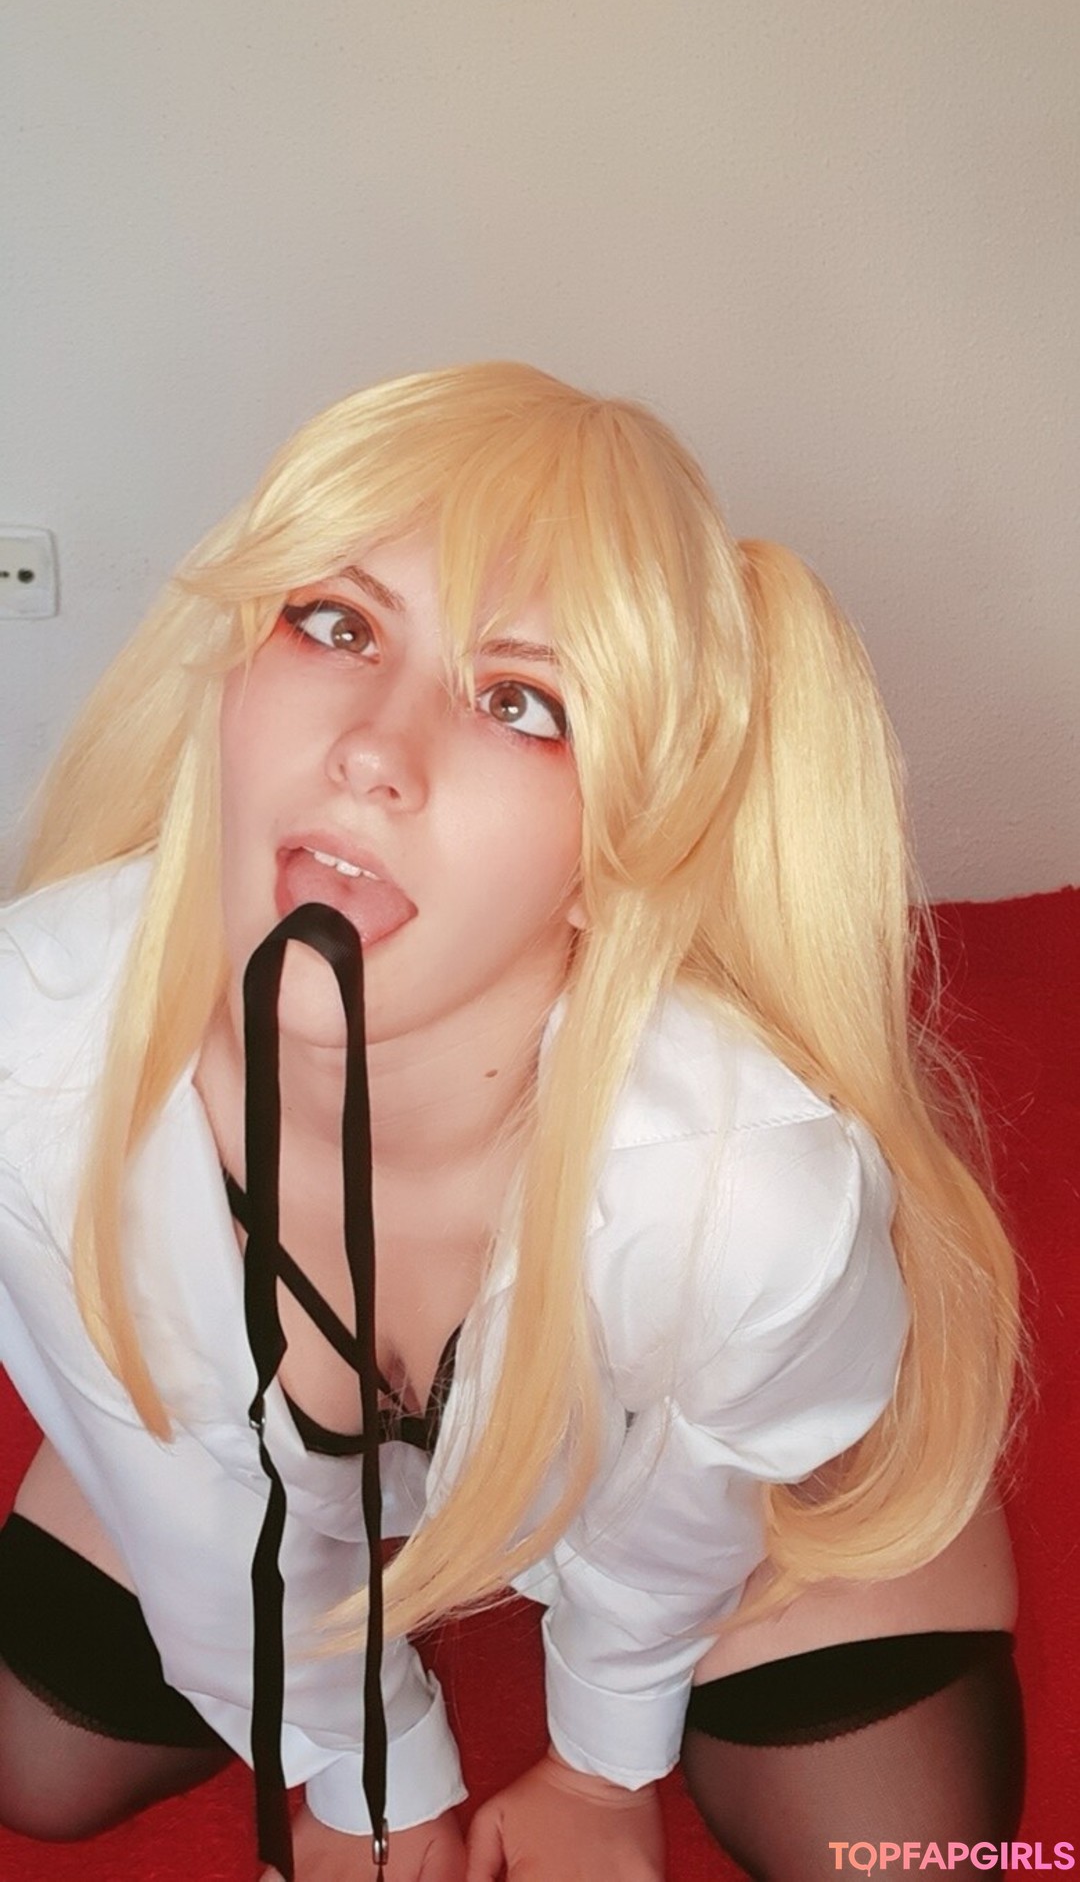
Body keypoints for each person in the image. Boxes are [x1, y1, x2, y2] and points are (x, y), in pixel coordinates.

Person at [0, 362, 1027, 1880]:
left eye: (521, 704)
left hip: (702, 1455)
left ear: (624, 849)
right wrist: (366, 1778)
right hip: (257, 1457)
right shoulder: (33, 1055)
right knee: (36, 1764)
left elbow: (685, 1517)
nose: (372, 748)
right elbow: (208, 1539)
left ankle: (821, 1400)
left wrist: (605, 1770)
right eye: (336, 624)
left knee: (908, 1860)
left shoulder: (743, 1193)